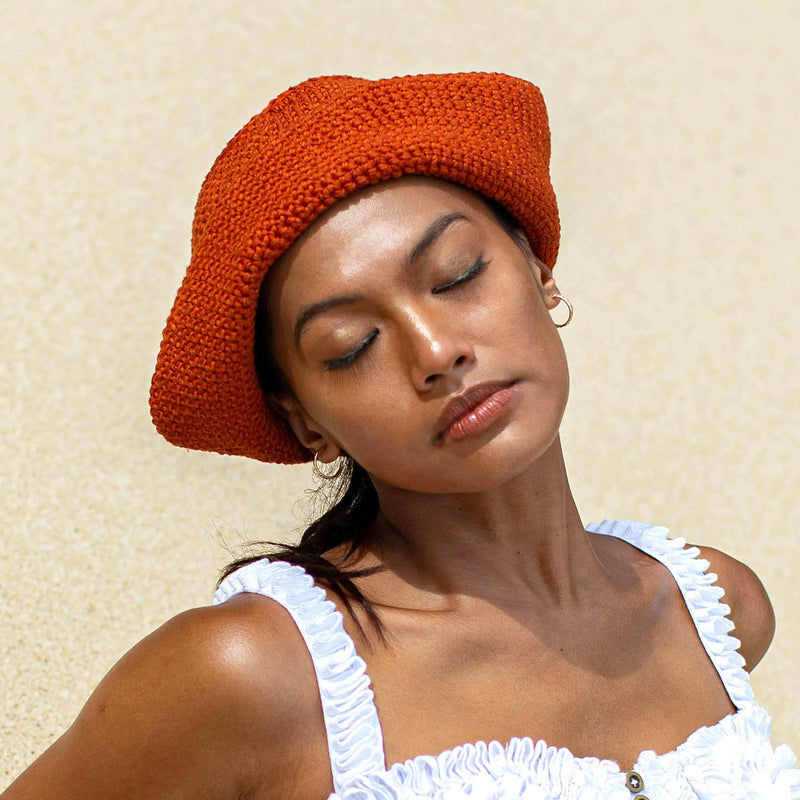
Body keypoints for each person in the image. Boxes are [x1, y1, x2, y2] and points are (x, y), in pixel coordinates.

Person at [3, 72, 798, 800]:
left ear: (537, 266)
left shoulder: (714, 610)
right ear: (303, 417)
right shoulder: (258, 675)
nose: (435, 351)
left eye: (456, 275)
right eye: (351, 346)